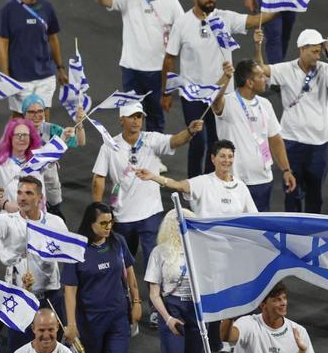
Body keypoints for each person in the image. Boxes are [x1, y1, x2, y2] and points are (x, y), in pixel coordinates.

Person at [161, 0, 272, 175]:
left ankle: (213, 183)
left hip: (222, 94)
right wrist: (166, 92)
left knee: (217, 142)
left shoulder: (224, 18)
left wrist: (285, 5)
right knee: (197, 141)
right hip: (193, 95)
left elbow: (255, 21)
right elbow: (169, 59)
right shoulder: (183, 23)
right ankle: (194, 186)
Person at [92, 100, 202, 269]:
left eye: (139, 116)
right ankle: (126, 294)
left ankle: (155, 295)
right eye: (131, 117)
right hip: (122, 215)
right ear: (121, 119)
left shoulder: (151, 139)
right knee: (121, 264)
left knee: (156, 262)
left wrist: (189, 131)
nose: (136, 121)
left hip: (151, 213)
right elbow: (98, 179)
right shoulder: (109, 146)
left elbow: (175, 141)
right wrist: (97, 209)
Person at [254, 27, 328, 213]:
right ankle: (292, 233)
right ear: (302, 49)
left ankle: (311, 235)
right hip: (292, 142)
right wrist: (258, 46)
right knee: (292, 192)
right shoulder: (286, 69)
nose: (318, 56)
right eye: (314, 52)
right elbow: (260, 69)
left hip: (320, 143)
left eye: (320, 51)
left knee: (315, 195)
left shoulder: (327, 69)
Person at [63, 203, 141, 353]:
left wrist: (136, 301)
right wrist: (71, 324)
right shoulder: (77, 249)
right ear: (91, 224)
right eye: (103, 223)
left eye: (111, 222)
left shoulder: (118, 242)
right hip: (89, 323)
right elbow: (70, 289)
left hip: (118, 319)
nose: (109, 227)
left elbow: (130, 274)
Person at [0, 176, 68, 353]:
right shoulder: (7, 220)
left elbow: (70, 255)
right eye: (19, 192)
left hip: (50, 297)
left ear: (40, 198)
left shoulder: (55, 222)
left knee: (53, 350)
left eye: (28, 193)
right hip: (20, 298)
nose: (22, 197)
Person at [95, 0, 183, 132]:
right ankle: (132, 156)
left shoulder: (171, 2)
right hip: (132, 70)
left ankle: (152, 157)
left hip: (158, 72)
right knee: (131, 117)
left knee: (156, 118)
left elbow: (183, 31)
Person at [210, 60, 296, 211]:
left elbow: (275, 139)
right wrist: (225, 77)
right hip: (234, 181)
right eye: (261, 76)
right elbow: (214, 99)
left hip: (263, 180)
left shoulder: (265, 104)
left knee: (259, 230)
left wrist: (286, 170)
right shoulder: (228, 103)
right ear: (249, 82)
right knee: (236, 229)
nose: (265, 79)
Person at [144, 211, 204, 353]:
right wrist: (168, 319)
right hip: (172, 309)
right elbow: (153, 293)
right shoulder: (160, 252)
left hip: (196, 310)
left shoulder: (199, 250)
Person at [0, 0, 66, 113]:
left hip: (45, 74)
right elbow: (3, 43)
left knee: (43, 117)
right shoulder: (8, 9)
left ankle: (42, 138)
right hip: (19, 76)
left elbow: (53, 38)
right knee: (19, 118)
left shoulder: (47, 8)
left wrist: (60, 68)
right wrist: (5, 76)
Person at [142, 139, 258, 216]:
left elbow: (254, 217)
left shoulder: (241, 187)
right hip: (206, 243)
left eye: (230, 156)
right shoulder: (203, 182)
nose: (227, 160)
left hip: (232, 244)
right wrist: (153, 176)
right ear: (213, 159)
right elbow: (177, 185)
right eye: (222, 156)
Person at [22, 93, 84, 217]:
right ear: (24, 114)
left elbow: (80, 142)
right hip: (28, 190)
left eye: (40, 111)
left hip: (51, 189)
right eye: (32, 112)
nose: (37, 115)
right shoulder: (18, 133)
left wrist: (80, 125)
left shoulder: (52, 130)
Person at [0, 117, 49, 204]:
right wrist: (4, 204)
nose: (22, 138)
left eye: (25, 135)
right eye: (18, 135)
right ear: (10, 137)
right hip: (8, 216)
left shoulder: (38, 161)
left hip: (36, 215)